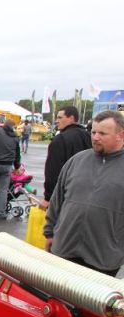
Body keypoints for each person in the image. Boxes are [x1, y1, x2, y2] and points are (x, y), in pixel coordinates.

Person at [44, 110, 124, 277]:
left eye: (102, 133)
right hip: (64, 249)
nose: (95, 137)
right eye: (93, 132)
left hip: (103, 259)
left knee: (89, 303)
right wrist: (49, 232)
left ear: (120, 135)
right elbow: (57, 200)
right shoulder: (76, 161)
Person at [43, 106, 92, 204]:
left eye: (60, 117)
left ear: (71, 118)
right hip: (88, 192)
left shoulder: (60, 139)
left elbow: (53, 171)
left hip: (65, 193)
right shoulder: (88, 136)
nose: (57, 121)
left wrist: (48, 197)